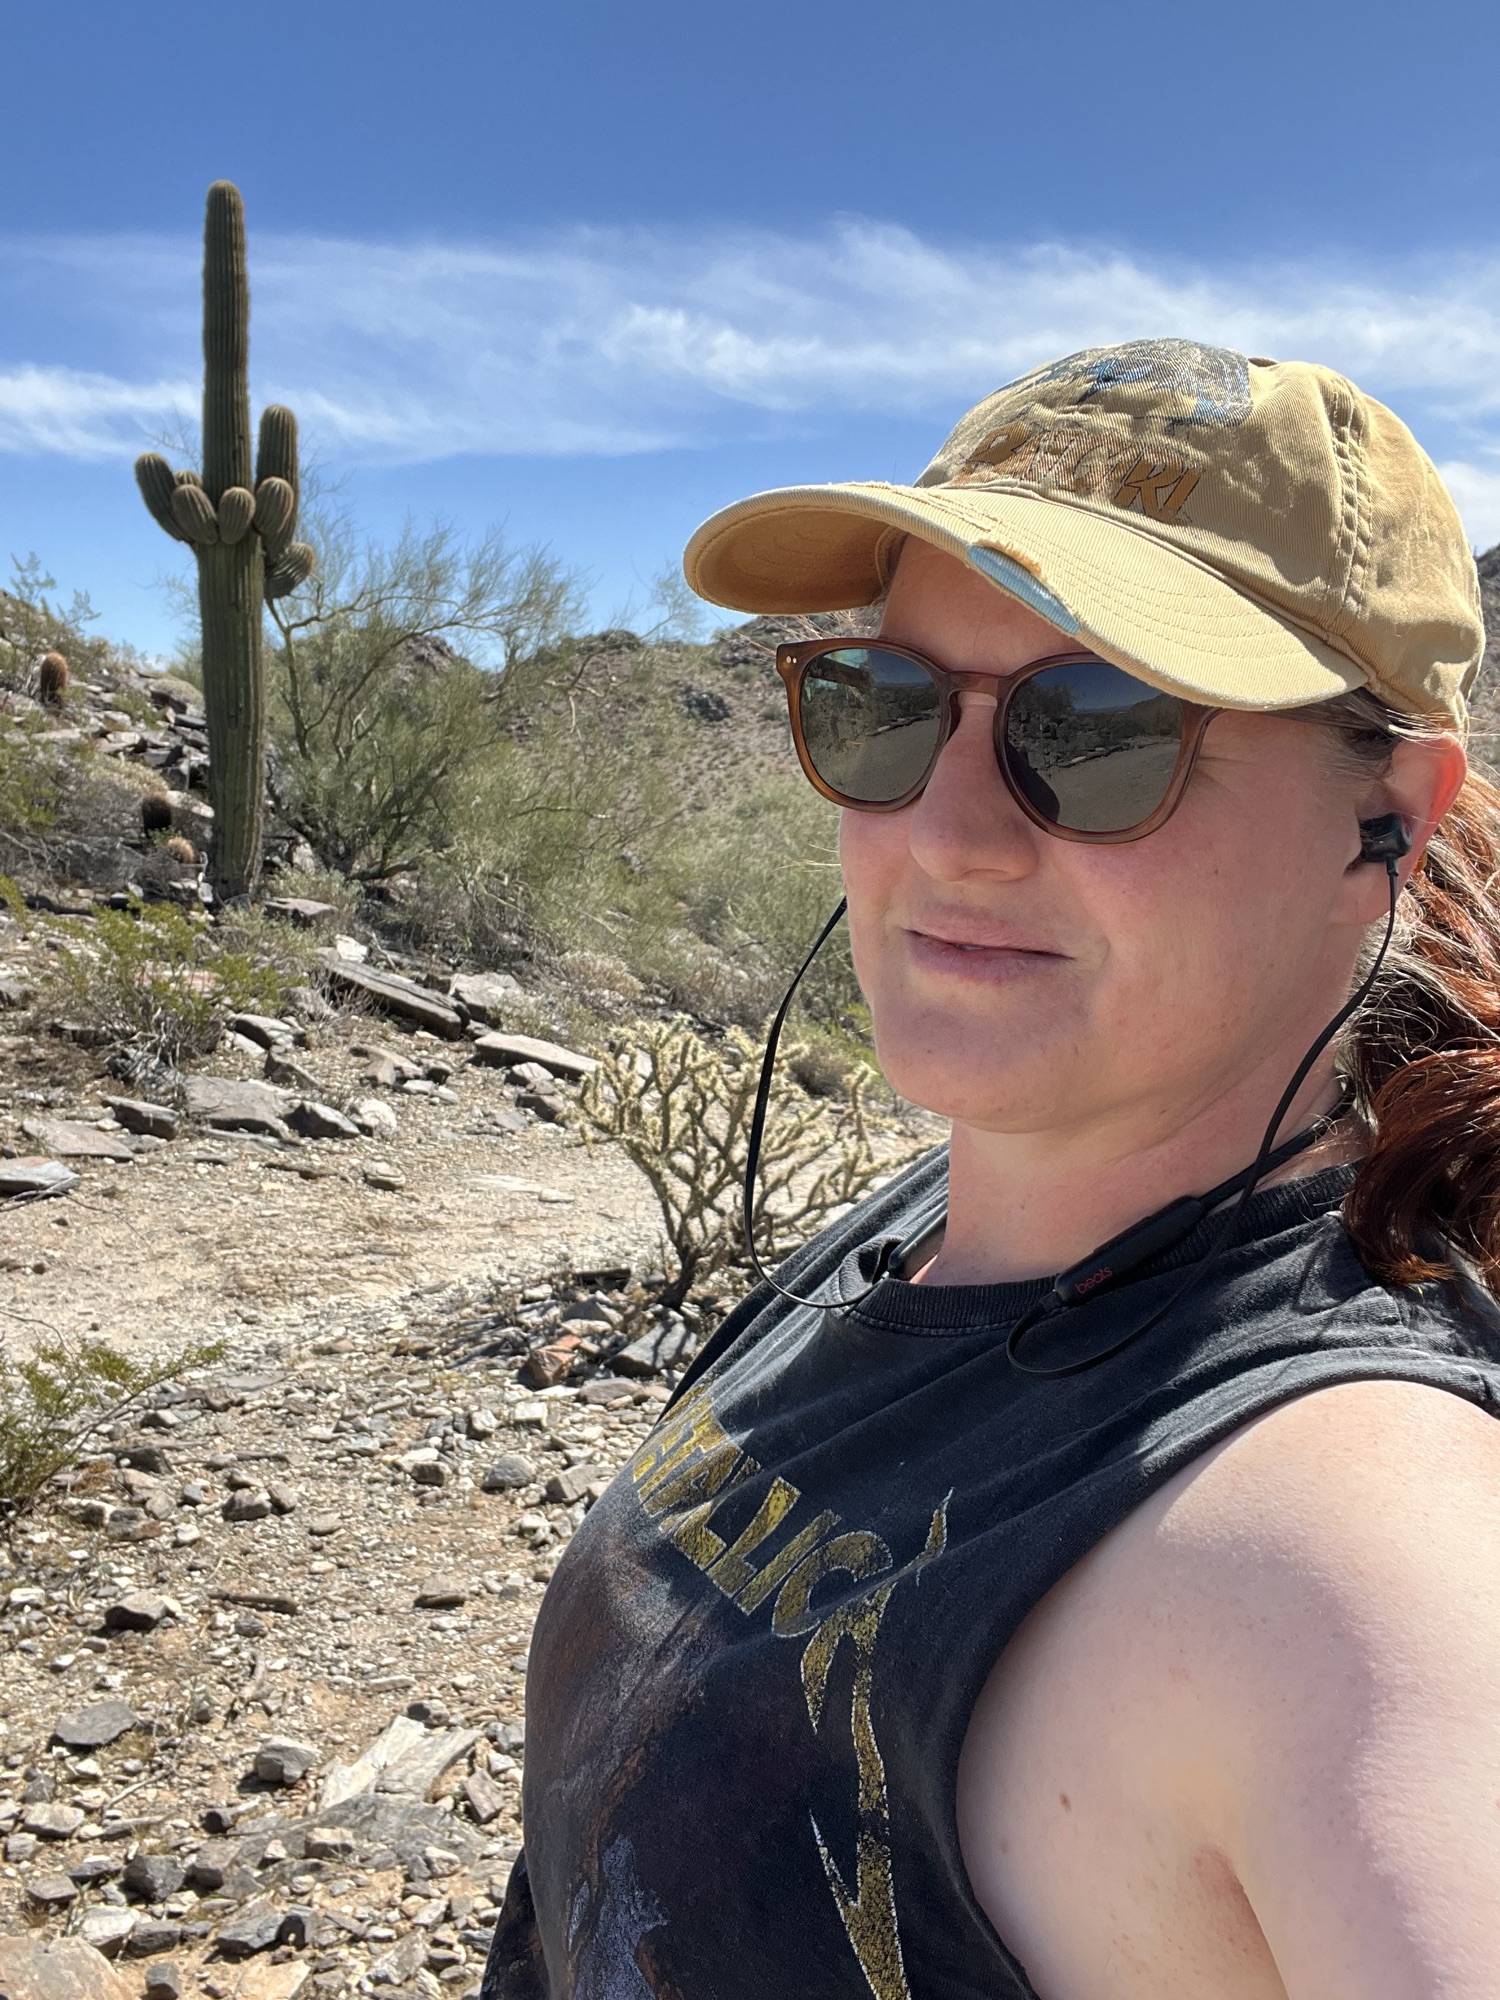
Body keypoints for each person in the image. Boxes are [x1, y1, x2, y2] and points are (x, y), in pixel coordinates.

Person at [482, 341, 1500, 2000]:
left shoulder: (1347, 1558)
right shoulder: (946, 1217)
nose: (944, 834)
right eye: (887, 709)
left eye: (1097, 733)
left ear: (1385, 810)